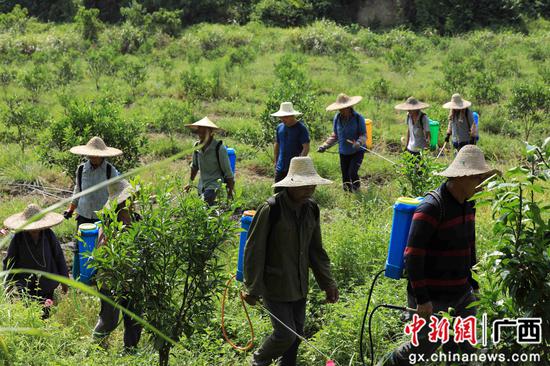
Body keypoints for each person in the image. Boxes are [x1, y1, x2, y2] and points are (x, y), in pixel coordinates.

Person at [379, 145, 500, 366]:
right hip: (433, 297)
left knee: (464, 347)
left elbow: (469, 246)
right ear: (463, 177)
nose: (482, 184)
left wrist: (474, 283)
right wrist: (423, 300)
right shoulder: (432, 207)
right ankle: (387, 364)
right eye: (478, 178)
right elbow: (412, 255)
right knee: (421, 348)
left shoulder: (469, 203)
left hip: (461, 292)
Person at [243, 156, 339, 366]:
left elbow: (316, 250)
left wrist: (328, 283)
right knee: (285, 334)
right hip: (275, 284)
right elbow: (253, 250)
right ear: (292, 184)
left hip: (299, 284)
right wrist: (252, 288)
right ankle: (258, 362)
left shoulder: (311, 209)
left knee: (297, 336)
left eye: (312, 185)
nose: (309, 190)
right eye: (304, 185)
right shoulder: (271, 209)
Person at [93, 179, 142, 351]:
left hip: (133, 277)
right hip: (110, 279)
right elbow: (100, 254)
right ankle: (95, 347)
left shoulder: (137, 219)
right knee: (109, 320)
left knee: (134, 318)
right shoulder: (108, 224)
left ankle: (130, 350)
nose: (130, 203)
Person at [63, 136, 122, 280]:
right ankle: (79, 277)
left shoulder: (110, 170)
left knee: (101, 246)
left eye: (96, 155)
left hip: (103, 216)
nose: (93, 157)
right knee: (80, 247)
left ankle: (99, 278)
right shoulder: (82, 169)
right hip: (83, 214)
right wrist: (71, 209)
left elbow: (119, 192)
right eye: (91, 154)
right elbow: (78, 190)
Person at [3, 204, 69, 319]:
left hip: (47, 282)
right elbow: (10, 260)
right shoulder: (18, 237)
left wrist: (64, 281)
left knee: (46, 313)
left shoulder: (48, 235)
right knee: (30, 313)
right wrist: (7, 284)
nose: (34, 230)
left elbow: (58, 256)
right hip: (26, 284)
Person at [318, 93, 367, 192]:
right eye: (339, 108)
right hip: (343, 152)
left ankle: (357, 191)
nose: (341, 110)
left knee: (352, 172)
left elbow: (364, 135)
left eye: (343, 108)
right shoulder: (337, 118)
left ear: (349, 107)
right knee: (345, 175)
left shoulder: (358, 118)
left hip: (357, 151)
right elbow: (335, 135)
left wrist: (358, 142)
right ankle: (347, 195)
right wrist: (325, 145)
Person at [184, 117, 235, 206]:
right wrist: (190, 183)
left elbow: (228, 173)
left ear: (211, 133)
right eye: (199, 132)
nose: (201, 135)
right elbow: (194, 167)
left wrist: (230, 194)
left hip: (215, 186)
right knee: (203, 210)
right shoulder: (197, 146)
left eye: (204, 132)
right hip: (202, 186)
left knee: (204, 205)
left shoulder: (219, 148)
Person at [271, 102, 310, 187]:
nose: (283, 119)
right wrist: (276, 161)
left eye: (286, 117)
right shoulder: (279, 127)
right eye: (281, 117)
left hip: (294, 168)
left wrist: (298, 164)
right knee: (278, 192)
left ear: (292, 116)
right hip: (280, 167)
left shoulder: (301, 128)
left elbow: (306, 147)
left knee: (293, 192)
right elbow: (277, 144)